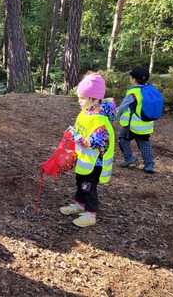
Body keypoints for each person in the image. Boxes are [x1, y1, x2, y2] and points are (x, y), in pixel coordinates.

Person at [61, 72, 116, 228]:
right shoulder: (86, 112)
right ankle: (79, 206)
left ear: (95, 99)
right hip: (84, 160)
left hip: (94, 163)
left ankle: (90, 214)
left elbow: (92, 142)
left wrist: (74, 134)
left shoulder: (100, 120)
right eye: (79, 97)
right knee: (80, 183)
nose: (79, 101)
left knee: (88, 187)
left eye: (83, 98)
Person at [116, 67, 156, 173]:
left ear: (133, 79)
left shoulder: (133, 92)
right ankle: (149, 164)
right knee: (144, 142)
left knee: (122, 138)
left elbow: (123, 107)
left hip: (132, 124)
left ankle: (128, 158)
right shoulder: (149, 89)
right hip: (146, 124)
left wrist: (113, 115)